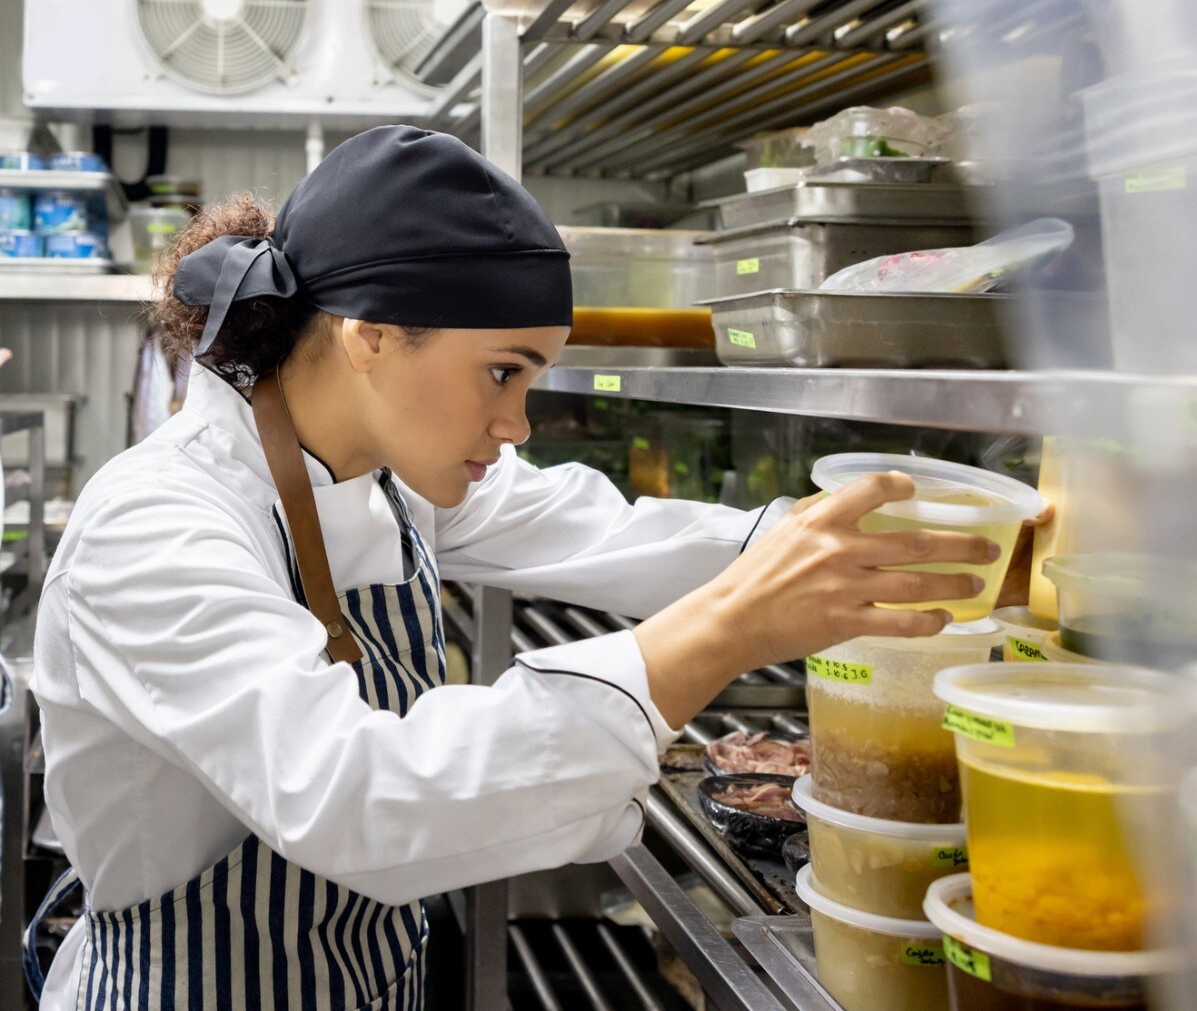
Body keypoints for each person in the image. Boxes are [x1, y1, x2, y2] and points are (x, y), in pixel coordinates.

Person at [29, 127, 998, 1009]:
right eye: (502, 370)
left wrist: (822, 545)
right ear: (368, 331)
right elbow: (354, 794)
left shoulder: (384, 469)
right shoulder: (157, 523)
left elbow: (599, 527)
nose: (517, 422)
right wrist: (725, 629)